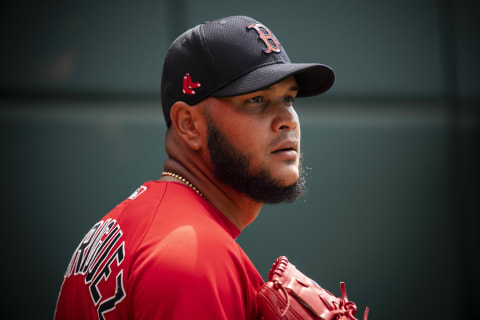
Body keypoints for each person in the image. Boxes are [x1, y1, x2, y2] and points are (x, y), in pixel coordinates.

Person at [54, 15, 334, 320]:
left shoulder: (135, 223)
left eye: (289, 98)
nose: (288, 119)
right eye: (257, 99)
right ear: (189, 125)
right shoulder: (195, 256)